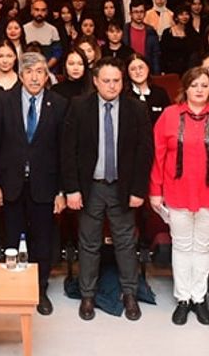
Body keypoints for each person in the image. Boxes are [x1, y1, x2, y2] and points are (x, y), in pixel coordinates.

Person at [150, 67, 209, 326]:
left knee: (203, 247)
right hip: (177, 192)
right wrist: (155, 190)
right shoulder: (169, 116)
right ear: (185, 88)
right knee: (181, 246)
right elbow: (157, 156)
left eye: (204, 85)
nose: (200, 90)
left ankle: (199, 297)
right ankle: (183, 298)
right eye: (194, 85)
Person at [62, 58, 154, 321]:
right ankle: (88, 295)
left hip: (122, 188)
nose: (112, 86)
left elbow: (145, 152)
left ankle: (130, 294)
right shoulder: (79, 106)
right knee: (89, 243)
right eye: (106, 81)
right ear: (95, 81)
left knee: (125, 243)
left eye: (116, 80)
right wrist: (72, 189)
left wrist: (138, 190)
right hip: (90, 187)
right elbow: (68, 150)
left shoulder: (136, 109)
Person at [0, 51, 68, 315]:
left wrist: (61, 191)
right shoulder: (3, 101)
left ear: (47, 76)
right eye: (29, 72)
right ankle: (13, 287)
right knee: (11, 237)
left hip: (45, 185)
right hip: (10, 184)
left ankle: (39, 289)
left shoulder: (59, 104)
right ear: (20, 75)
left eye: (40, 72)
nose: (34, 77)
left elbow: (63, 151)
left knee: (42, 241)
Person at [126, 52, 170, 124]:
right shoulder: (124, 96)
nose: (138, 72)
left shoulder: (160, 93)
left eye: (141, 67)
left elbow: (169, 120)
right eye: (133, 69)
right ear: (128, 73)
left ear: (148, 68)